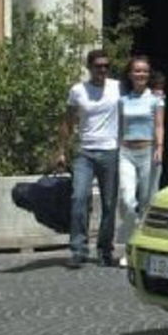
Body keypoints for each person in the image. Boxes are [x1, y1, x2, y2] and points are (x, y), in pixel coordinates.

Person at [58, 49, 121, 269]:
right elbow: (67, 121)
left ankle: (104, 250)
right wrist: (61, 150)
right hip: (84, 151)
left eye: (106, 66)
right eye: (98, 66)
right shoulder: (78, 90)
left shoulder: (117, 87)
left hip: (110, 150)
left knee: (109, 203)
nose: (102, 70)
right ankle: (78, 249)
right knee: (79, 198)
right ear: (89, 68)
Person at [116, 56, 165, 267]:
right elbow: (119, 127)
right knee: (127, 200)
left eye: (144, 71)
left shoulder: (156, 99)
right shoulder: (123, 100)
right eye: (137, 71)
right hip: (126, 151)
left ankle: (142, 248)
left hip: (148, 151)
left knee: (147, 202)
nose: (141, 75)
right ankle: (129, 245)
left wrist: (160, 147)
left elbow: (159, 125)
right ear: (130, 74)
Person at [146, 69, 166, 203]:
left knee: (151, 185)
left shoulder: (159, 99)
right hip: (147, 143)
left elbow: (160, 124)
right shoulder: (156, 98)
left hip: (153, 144)